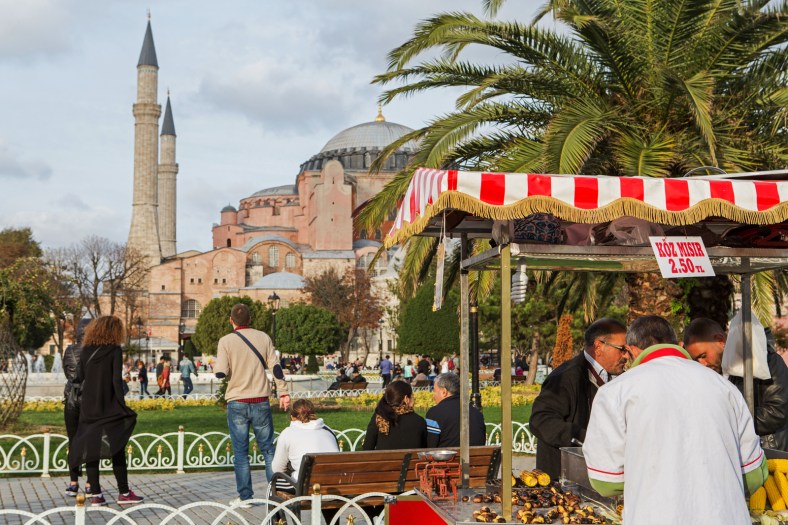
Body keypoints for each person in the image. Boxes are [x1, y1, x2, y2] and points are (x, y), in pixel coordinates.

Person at [583, 315, 767, 525]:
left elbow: (605, 483)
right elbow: (753, 475)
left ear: (632, 349)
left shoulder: (614, 393)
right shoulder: (725, 387)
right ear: (679, 345)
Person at [529, 318, 628, 479]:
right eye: (621, 349)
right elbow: (540, 420)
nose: (626, 356)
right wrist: (586, 438)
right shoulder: (566, 376)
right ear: (598, 347)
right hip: (565, 481)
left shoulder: (619, 377)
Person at [214, 303, 290, 507]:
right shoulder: (263, 337)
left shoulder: (226, 341)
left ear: (231, 320)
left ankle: (245, 497)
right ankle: (275, 494)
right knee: (268, 451)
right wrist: (283, 392)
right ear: (250, 320)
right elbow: (276, 368)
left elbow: (221, 372)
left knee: (240, 452)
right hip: (260, 400)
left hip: (237, 401)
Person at [67, 316, 143, 506]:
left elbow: (82, 376)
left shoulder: (85, 350)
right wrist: (121, 404)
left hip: (88, 406)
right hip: (108, 405)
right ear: (113, 331)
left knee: (91, 450)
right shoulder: (114, 350)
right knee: (116, 448)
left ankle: (97, 495)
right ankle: (124, 492)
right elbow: (116, 380)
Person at [684, 317, 788, 450]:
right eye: (696, 360)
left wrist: (726, 420)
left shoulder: (766, 362)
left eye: (703, 356)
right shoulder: (712, 375)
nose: (702, 364)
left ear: (720, 341)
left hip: (771, 454)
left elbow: (777, 413)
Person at [271, 399, 338, 479]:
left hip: (307, 484)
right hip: (334, 481)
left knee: (273, 484)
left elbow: (277, 468)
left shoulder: (288, 433)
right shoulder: (328, 430)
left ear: (292, 417)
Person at [425, 373, 485, 447]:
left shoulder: (435, 413)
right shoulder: (476, 413)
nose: (433, 395)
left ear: (444, 392)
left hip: (448, 458)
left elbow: (430, 447)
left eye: (434, 391)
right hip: (477, 458)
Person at [363, 380, 427, 450]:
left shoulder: (379, 418)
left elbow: (367, 447)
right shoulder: (419, 421)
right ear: (406, 399)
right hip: (411, 460)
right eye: (412, 396)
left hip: (384, 460)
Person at [63, 342, 86, 497]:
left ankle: (73, 482)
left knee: (73, 441)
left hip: (70, 396)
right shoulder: (93, 349)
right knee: (91, 440)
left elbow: (67, 371)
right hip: (87, 397)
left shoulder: (69, 349)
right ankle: (91, 484)